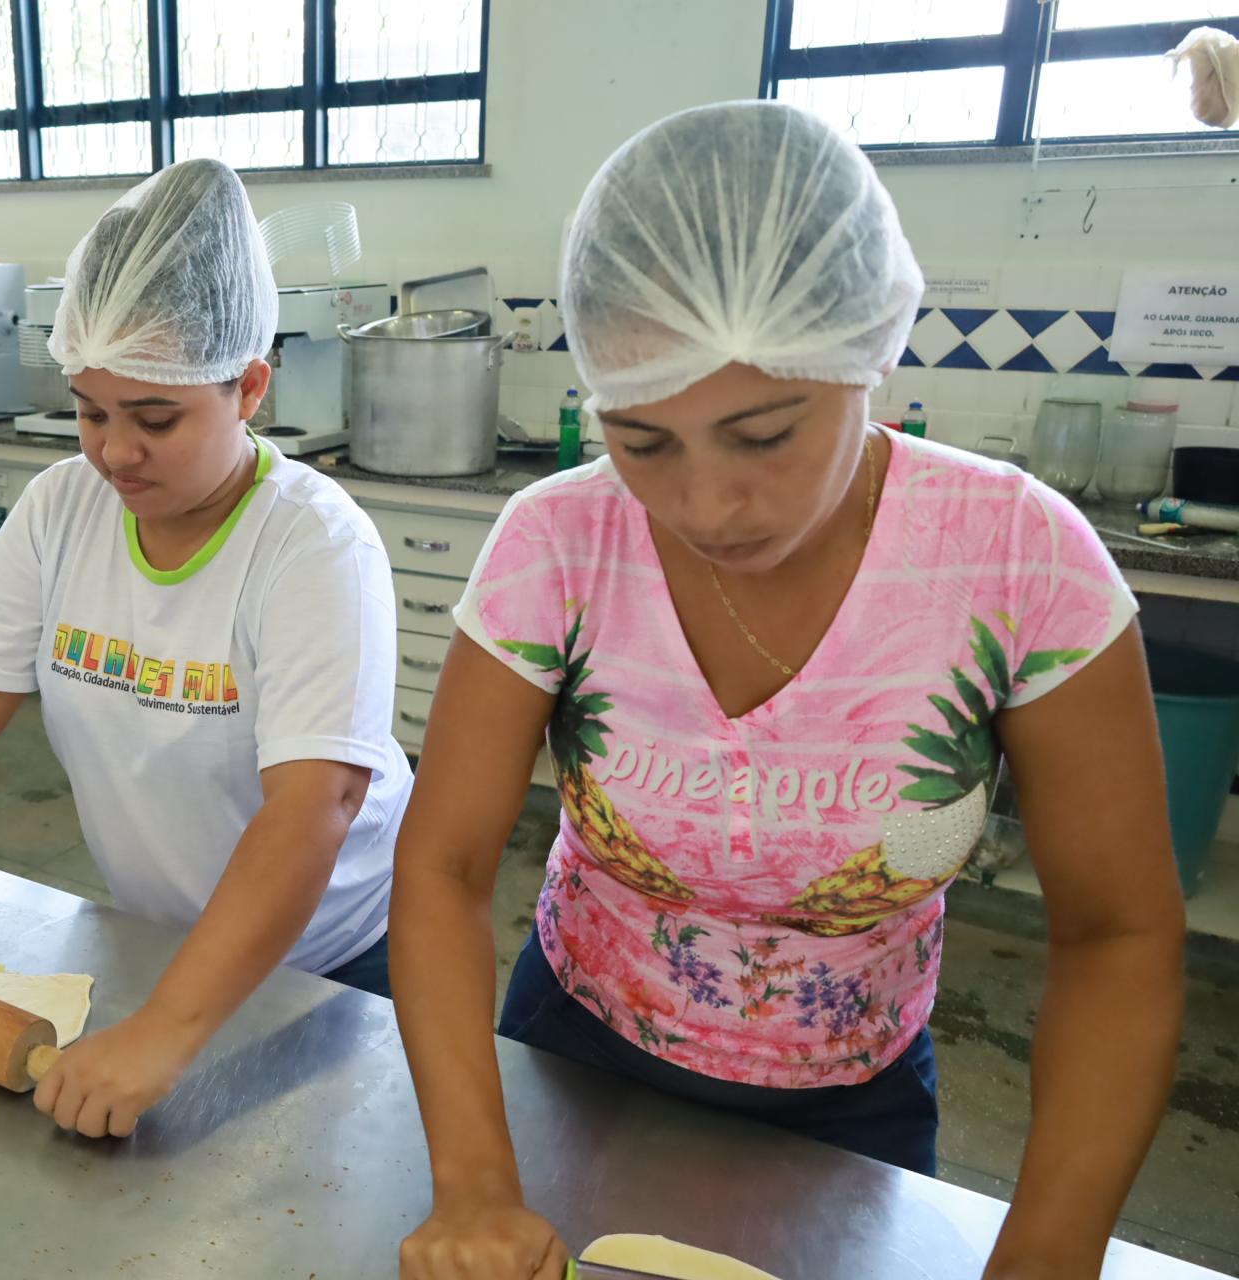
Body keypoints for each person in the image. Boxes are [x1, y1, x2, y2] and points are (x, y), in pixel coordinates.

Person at [390, 102, 1185, 1280]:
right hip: (568, 1058)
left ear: (868, 350)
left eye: (763, 433)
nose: (708, 506)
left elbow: (1120, 934)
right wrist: (470, 1185)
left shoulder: (1019, 559)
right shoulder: (559, 540)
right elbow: (445, 865)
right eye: (643, 442)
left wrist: (1051, 1250)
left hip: (852, 1108)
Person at [0, 160, 411, 1141]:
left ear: (249, 386)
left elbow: (315, 802)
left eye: (157, 416)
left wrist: (168, 1031)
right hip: (154, 931)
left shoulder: (312, 543)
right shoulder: (62, 507)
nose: (114, 451)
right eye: (91, 410)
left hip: (334, 961)